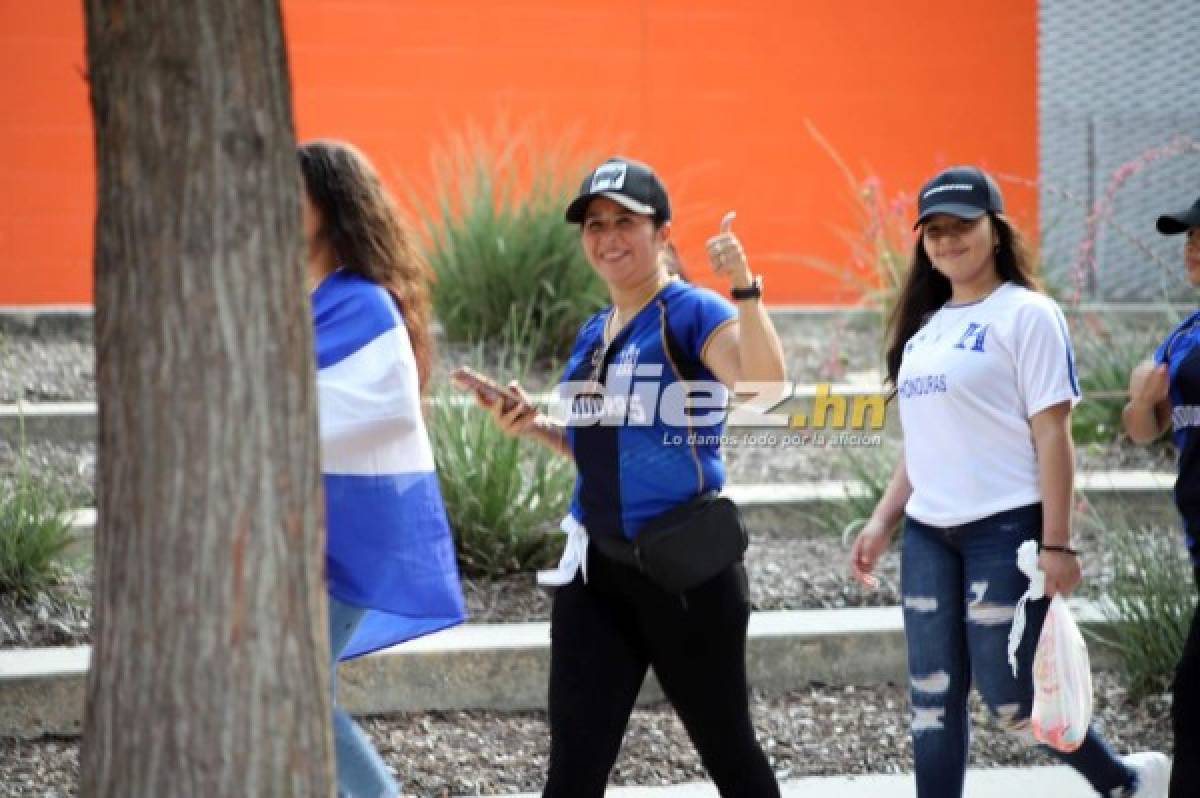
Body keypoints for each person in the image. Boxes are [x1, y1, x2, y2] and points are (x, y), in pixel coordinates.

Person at [466, 157, 786, 797]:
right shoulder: (594, 332)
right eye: (595, 224)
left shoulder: (690, 312)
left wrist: (744, 287)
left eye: (625, 222)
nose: (608, 237)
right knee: (574, 770)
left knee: (731, 758)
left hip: (685, 574)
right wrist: (533, 426)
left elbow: (766, 388)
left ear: (663, 233)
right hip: (597, 577)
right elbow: (602, 451)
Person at [848, 165, 1170, 798]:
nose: (946, 241)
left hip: (1007, 532)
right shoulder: (923, 331)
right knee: (931, 697)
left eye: (961, 226)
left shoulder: (1029, 315)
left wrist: (1059, 545)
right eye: (934, 231)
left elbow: (1054, 434)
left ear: (994, 230)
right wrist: (883, 521)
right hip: (928, 535)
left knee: (1009, 696)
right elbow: (924, 445)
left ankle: (1125, 781)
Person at [299, 140, 467, 798]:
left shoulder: (362, 302)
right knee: (310, 685)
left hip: (356, 536)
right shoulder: (307, 298)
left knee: (300, 691)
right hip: (311, 534)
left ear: (331, 206)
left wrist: (275, 430)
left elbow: (390, 410)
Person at [1122, 193, 1200, 798]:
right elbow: (1144, 432)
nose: (1192, 249)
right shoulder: (1184, 335)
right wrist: (1143, 399)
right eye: (1189, 240)